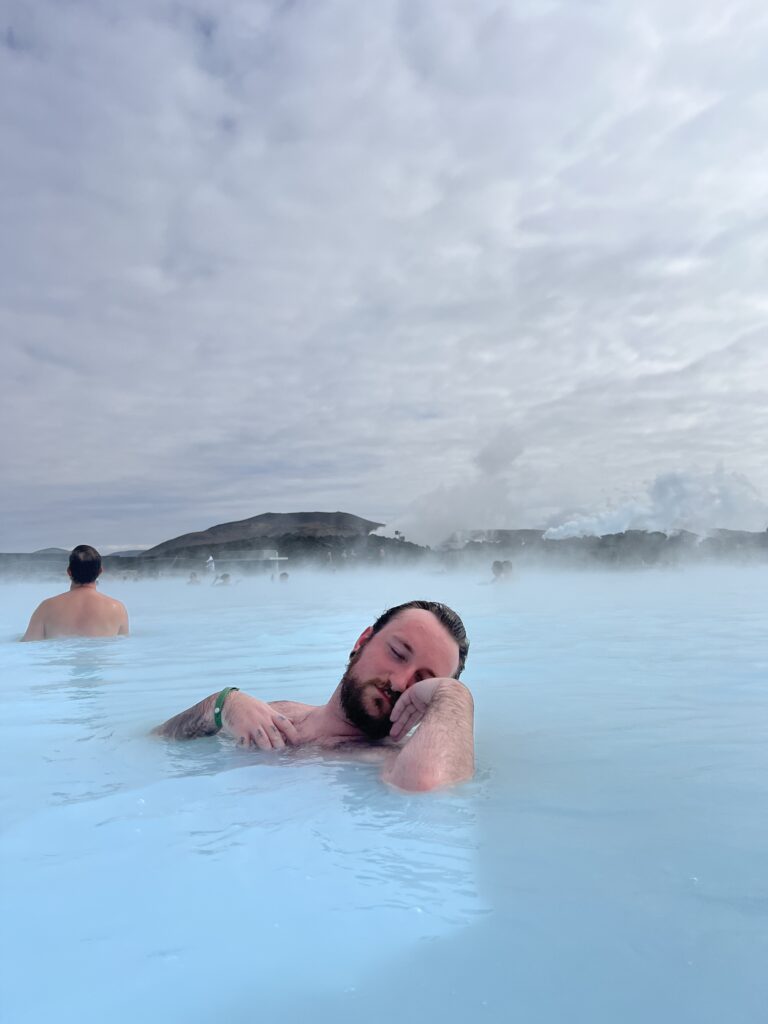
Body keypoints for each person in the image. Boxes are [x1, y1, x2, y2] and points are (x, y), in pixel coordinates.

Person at [154, 600, 473, 792]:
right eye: (398, 653)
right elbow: (157, 742)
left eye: (423, 682)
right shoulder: (277, 712)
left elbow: (424, 786)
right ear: (363, 641)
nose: (401, 682)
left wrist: (453, 694)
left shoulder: (393, 761)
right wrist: (221, 705)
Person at [21, 545, 129, 641]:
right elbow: (123, 646)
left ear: (69, 571)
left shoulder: (46, 607)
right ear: (100, 571)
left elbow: (28, 644)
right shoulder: (117, 608)